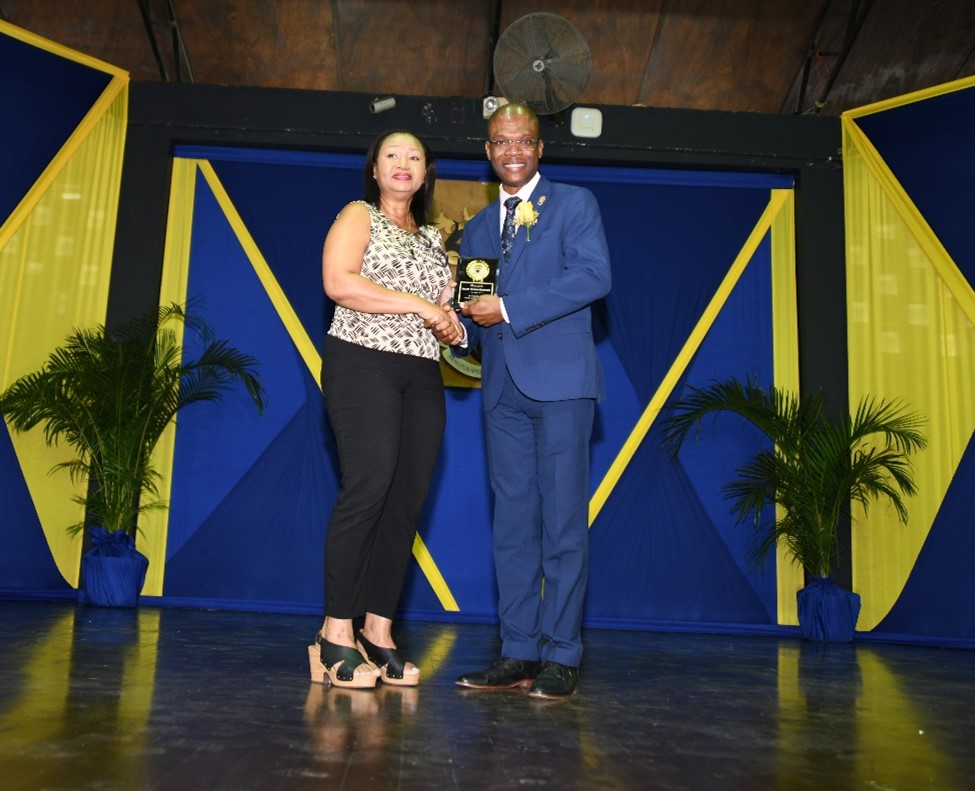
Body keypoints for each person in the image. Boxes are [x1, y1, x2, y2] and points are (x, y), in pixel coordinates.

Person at [446, 102, 611, 699]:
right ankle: (518, 650)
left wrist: (509, 308)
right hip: (501, 391)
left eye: (523, 141)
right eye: (501, 142)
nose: (512, 150)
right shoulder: (478, 228)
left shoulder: (575, 204)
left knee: (563, 522)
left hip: (562, 385)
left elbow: (593, 277)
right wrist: (450, 318)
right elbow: (477, 313)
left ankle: (562, 653)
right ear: (488, 152)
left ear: (540, 149)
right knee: (512, 526)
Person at [309, 129, 463, 689]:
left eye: (414, 156)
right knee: (368, 488)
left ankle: (378, 632)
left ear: (425, 173)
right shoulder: (359, 215)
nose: (403, 163)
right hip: (361, 361)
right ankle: (334, 636)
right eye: (392, 155)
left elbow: (441, 314)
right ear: (375, 169)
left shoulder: (433, 239)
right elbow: (338, 283)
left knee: (405, 502)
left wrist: (450, 321)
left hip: (421, 372)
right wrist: (421, 306)